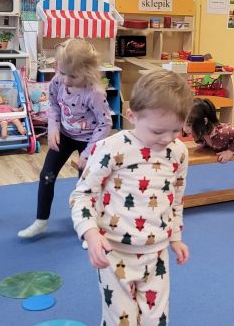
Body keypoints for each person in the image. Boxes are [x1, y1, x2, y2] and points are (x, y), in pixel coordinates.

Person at [70, 70, 194, 325]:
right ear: (131, 116)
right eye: (158, 131)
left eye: (176, 130)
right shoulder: (111, 148)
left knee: (156, 320)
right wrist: (90, 234)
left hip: (157, 254)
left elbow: (176, 197)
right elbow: (82, 194)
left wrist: (175, 236)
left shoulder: (179, 152)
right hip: (115, 253)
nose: (167, 138)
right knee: (120, 320)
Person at [18, 39, 113, 239]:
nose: (66, 80)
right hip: (64, 135)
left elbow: (105, 124)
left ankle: (90, 229)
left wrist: (88, 153)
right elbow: (53, 105)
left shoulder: (94, 93)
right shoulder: (58, 81)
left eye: (73, 76)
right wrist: (53, 128)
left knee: (86, 185)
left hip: (90, 140)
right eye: (62, 72)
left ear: (88, 72)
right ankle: (41, 221)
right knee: (46, 175)